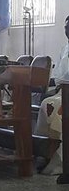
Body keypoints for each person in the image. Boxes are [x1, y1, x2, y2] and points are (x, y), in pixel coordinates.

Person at [34, 15, 69, 174]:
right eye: (66, 27)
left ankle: (60, 159)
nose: (67, 30)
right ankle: (42, 150)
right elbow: (60, 74)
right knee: (47, 103)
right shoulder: (65, 48)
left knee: (57, 108)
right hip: (63, 91)